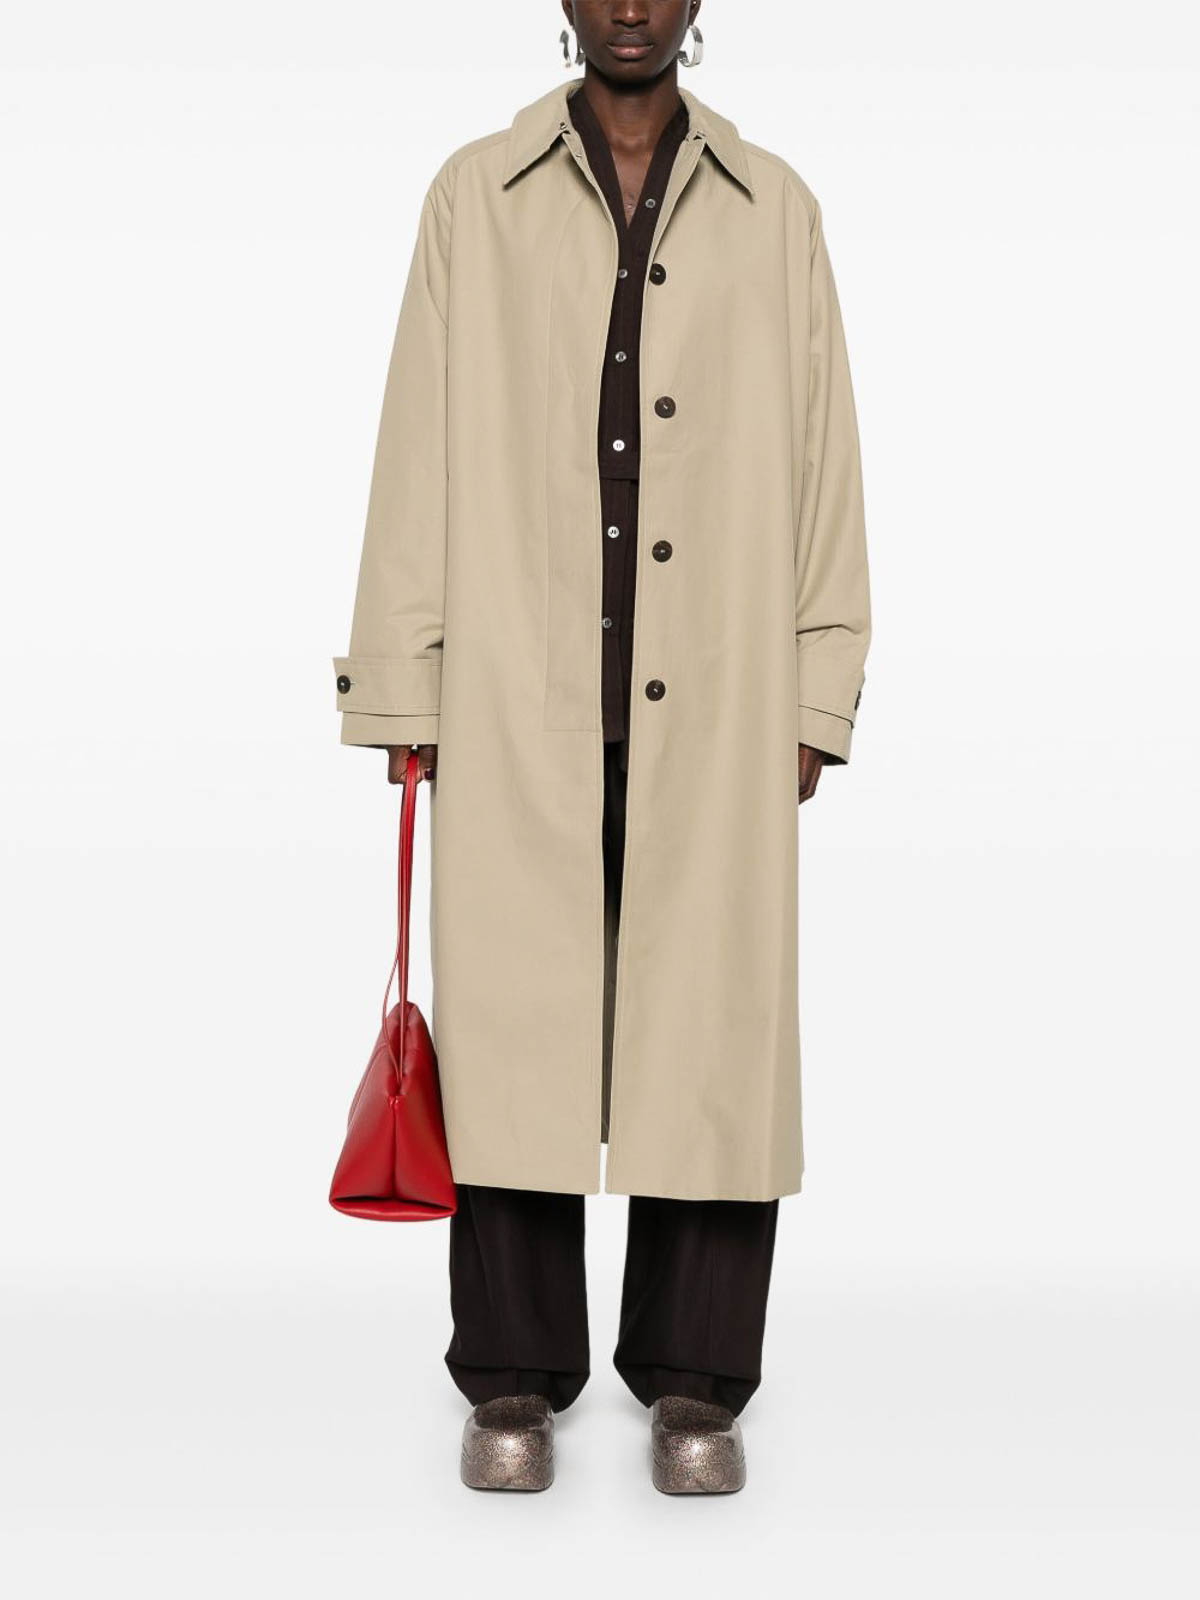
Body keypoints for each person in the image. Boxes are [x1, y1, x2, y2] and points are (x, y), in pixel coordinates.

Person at [332, 0, 870, 1495]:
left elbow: (826, 458)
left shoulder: (776, 210)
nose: (631, 3)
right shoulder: (474, 196)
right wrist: (406, 687)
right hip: (521, 686)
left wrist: (818, 687)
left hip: (725, 691)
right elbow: (417, 445)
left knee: (715, 1030)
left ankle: (698, 1381)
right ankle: (511, 1376)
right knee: (516, 1025)